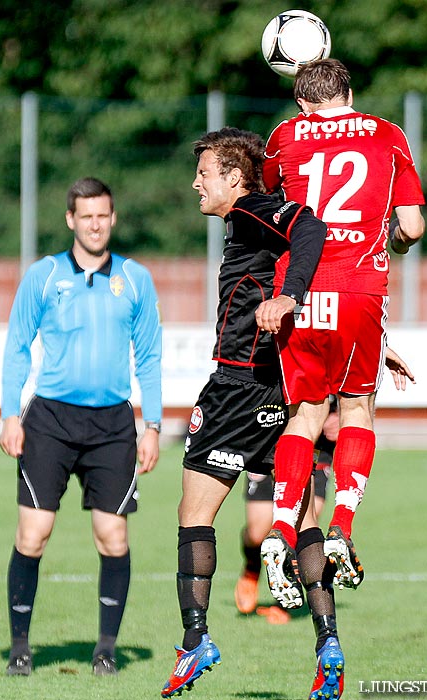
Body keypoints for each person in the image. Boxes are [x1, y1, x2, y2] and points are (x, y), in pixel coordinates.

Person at [160, 127, 328, 698]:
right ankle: (327, 643)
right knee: (302, 518)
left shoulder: (253, 207)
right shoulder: (243, 220)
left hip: (239, 385)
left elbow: (309, 228)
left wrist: (291, 298)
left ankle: (196, 639)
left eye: (204, 172)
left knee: (193, 510)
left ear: (233, 178)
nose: (195, 182)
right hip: (279, 387)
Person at [255, 57, 425, 613]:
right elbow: (412, 227)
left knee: (303, 414)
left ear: (302, 102)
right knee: (356, 409)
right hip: (359, 290)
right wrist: (395, 240)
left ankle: (281, 526)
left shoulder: (285, 134)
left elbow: (273, 204)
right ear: (349, 91)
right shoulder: (387, 133)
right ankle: (342, 526)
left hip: (299, 291)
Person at [0, 177, 162, 677]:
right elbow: (17, 347)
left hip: (114, 423)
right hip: (49, 419)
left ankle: (106, 650)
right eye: (86, 216)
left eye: (103, 215)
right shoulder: (44, 276)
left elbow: (150, 355)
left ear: (112, 218)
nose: (95, 224)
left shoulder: (135, 279)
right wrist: (10, 413)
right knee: (34, 534)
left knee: (112, 537)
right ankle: (21, 647)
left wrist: (151, 424)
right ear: (71, 219)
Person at [234, 396, 338, 625]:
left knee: (304, 525)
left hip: (315, 440)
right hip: (271, 434)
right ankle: (251, 567)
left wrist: (341, 415)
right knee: (256, 533)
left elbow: (355, 381)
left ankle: (283, 600)